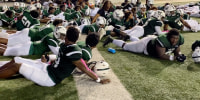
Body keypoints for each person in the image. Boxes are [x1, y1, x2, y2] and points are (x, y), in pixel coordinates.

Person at [0, 26, 110, 87]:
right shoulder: (65, 45)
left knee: (17, 66)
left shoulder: (75, 51)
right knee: (16, 59)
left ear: (67, 38)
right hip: (48, 69)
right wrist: (48, 60)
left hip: (50, 78)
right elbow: (61, 59)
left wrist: (98, 79)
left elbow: (84, 69)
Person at [103, 28, 186, 62]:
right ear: (169, 37)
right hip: (145, 46)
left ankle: (128, 36)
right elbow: (161, 55)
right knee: (126, 47)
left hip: (150, 42)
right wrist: (174, 58)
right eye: (173, 38)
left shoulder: (179, 39)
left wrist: (179, 55)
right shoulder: (163, 40)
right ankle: (111, 39)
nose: (175, 40)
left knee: (136, 42)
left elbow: (177, 50)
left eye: (176, 38)